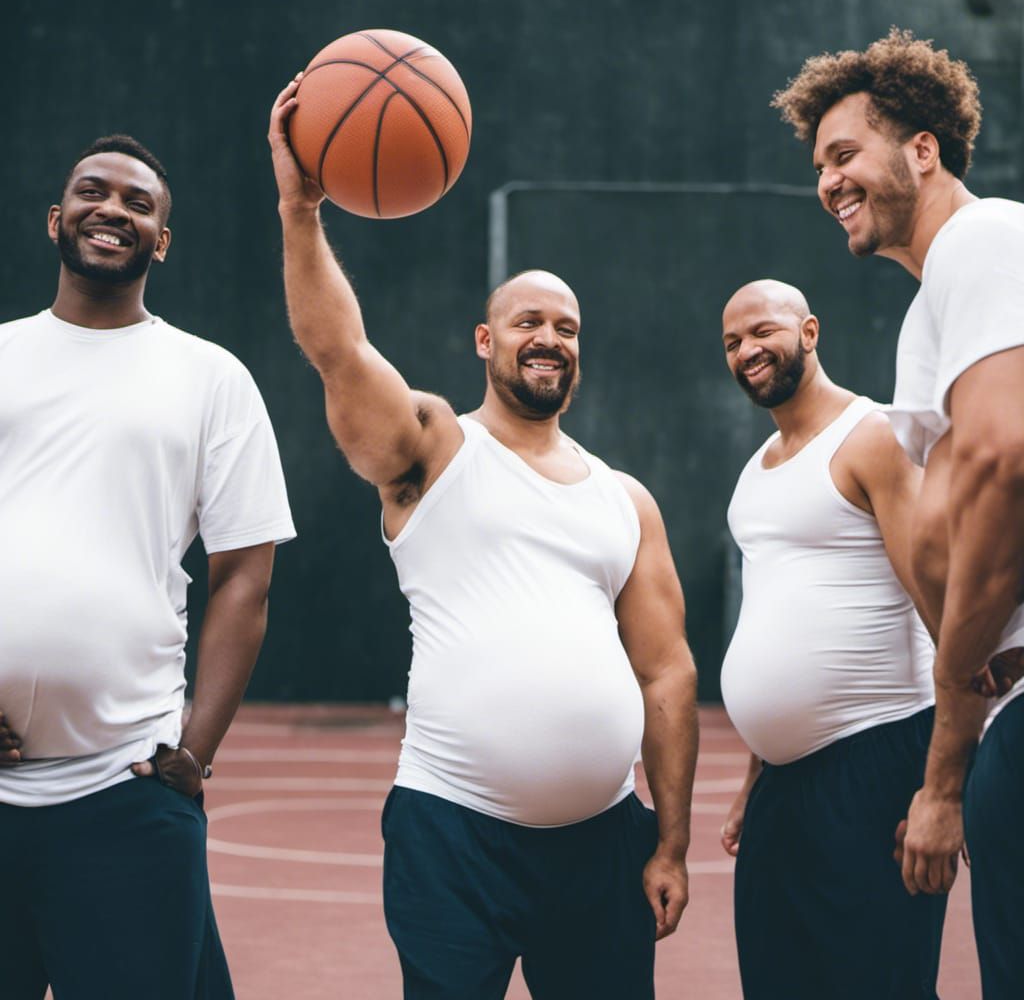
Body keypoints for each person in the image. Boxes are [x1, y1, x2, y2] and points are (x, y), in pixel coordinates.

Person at [268, 79, 699, 1000]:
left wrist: (671, 841)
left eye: (566, 327)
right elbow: (339, 351)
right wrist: (300, 209)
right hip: (452, 833)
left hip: (605, 843)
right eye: (528, 322)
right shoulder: (432, 449)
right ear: (484, 341)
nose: (549, 338)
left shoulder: (626, 498)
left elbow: (667, 673)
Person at [0, 135, 295, 999]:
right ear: (57, 219)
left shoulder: (211, 378)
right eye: (94, 192)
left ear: (160, 241)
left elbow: (245, 574)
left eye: (139, 203)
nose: (113, 210)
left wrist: (194, 753)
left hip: (125, 789)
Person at [773, 29, 1024, 997]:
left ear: (922, 148)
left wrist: (954, 696)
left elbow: (1001, 461)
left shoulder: (982, 239)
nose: (829, 181)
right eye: (819, 167)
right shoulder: (935, 308)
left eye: (845, 154)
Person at [718, 278, 944, 999]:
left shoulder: (872, 436)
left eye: (763, 331)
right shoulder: (756, 473)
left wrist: (945, 788)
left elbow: (943, 611)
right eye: (732, 342)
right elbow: (779, 622)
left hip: (876, 762)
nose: (748, 350)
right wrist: (756, 777)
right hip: (784, 786)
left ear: (809, 331)